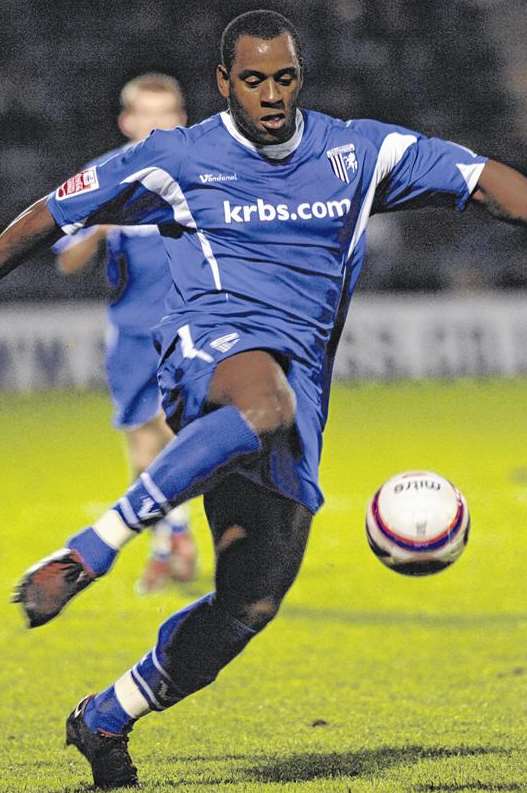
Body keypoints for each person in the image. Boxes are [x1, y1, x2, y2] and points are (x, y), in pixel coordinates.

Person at [2, 8, 527, 789]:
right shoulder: (175, 157)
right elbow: (48, 215)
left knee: (247, 605)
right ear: (223, 82)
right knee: (259, 404)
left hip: (296, 392)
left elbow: (490, 186)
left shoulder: (358, 152)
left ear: (299, 78)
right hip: (208, 356)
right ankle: (91, 549)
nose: (270, 94)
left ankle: (105, 716)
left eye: (283, 78)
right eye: (252, 79)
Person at [53, 73, 197, 594]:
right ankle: (172, 538)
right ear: (127, 122)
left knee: (185, 434)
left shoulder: (203, 169)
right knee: (144, 447)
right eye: (147, 115)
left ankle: (175, 541)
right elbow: (67, 260)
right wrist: (101, 226)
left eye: (168, 114)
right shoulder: (103, 176)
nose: (158, 124)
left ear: (182, 119)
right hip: (132, 330)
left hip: (193, 325)